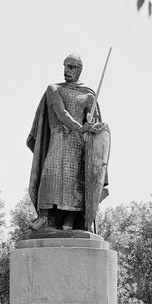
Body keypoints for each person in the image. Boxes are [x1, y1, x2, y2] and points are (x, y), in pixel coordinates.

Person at [26, 53, 108, 231]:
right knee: (50, 176)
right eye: (65, 66)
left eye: (71, 67)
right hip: (58, 139)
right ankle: (45, 217)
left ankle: (70, 221)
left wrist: (91, 124)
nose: (67, 70)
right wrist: (80, 127)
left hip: (78, 144)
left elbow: (95, 123)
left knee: (76, 182)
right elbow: (61, 112)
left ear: (79, 70)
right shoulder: (54, 89)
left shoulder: (88, 95)